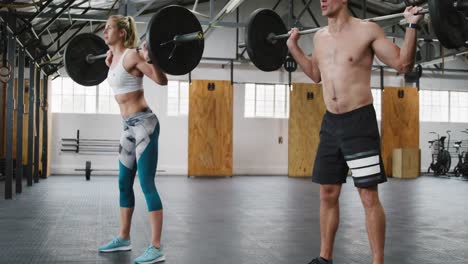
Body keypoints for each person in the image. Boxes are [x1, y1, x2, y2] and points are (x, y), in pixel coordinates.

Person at [286, 1, 423, 263]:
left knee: (368, 195)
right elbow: (315, 74)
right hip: (330, 124)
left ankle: (377, 261)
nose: (322, 1)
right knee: (327, 192)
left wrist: (412, 26)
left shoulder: (367, 30)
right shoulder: (319, 37)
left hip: (359, 122)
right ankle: (325, 258)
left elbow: (403, 64)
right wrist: (293, 48)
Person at [97, 15, 168, 264]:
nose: (104, 32)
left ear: (123, 33)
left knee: (147, 183)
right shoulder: (114, 58)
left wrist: (152, 60)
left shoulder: (132, 55)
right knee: (123, 183)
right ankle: (123, 237)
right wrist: (110, 62)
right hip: (127, 127)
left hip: (144, 125)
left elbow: (161, 80)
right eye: (104, 28)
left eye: (109, 28)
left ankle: (156, 247)